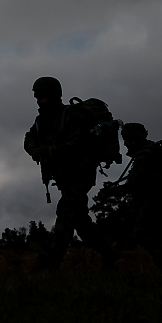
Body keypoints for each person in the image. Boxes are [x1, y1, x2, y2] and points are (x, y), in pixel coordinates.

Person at [23, 76, 117, 269]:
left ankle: (53, 260)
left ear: (54, 95)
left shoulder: (72, 115)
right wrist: (35, 150)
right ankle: (109, 253)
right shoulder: (42, 120)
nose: (38, 100)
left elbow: (78, 143)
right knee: (80, 221)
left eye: (42, 96)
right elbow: (29, 138)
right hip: (63, 175)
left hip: (81, 173)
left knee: (65, 210)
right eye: (37, 97)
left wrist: (48, 151)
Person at [115, 123, 162, 269]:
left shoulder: (144, 154)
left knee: (143, 230)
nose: (126, 143)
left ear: (134, 138)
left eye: (127, 139)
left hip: (158, 199)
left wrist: (115, 191)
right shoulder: (153, 149)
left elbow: (133, 183)